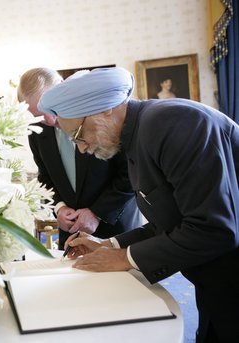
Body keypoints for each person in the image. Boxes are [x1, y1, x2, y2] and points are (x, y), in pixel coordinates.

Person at [38, 67, 239, 343]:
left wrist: (124, 258)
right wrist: (109, 245)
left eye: (79, 135)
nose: (81, 148)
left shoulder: (175, 123)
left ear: (105, 109)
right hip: (213, 280)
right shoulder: (137, 137)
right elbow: (168, 224)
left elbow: (214, 229)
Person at [17, 68, 142, 250]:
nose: (49, 120)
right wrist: (59, 208)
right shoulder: (37, 132)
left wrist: (97, 213)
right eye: (38, 116)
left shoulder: (98, 114)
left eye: (49, 109)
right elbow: (45, 178)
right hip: (71, 232)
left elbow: (130, 172)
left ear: (63, 90)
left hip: (117, 227)